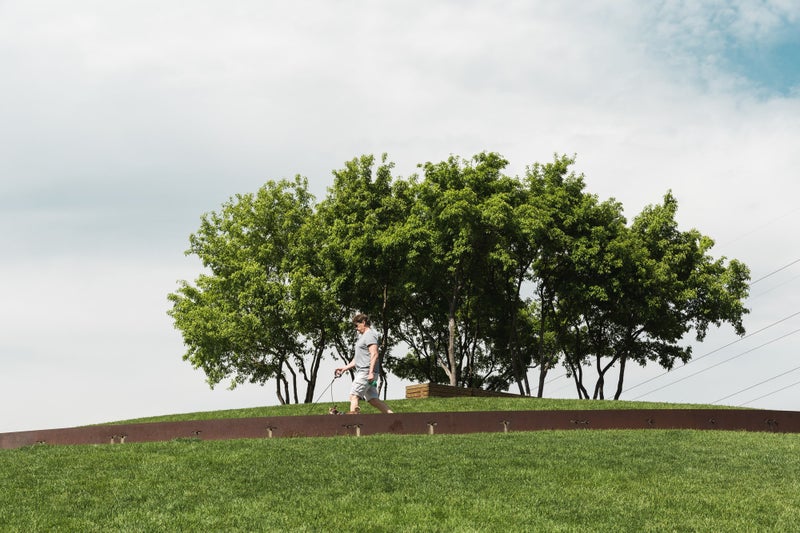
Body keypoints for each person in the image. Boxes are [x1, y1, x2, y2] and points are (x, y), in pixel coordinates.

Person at [334, 313, 394, 414]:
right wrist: (344, 368)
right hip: (367, 373)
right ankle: (395, 418)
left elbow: (374, 354)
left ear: (364, 322)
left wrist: (370, 372)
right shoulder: (363, 337)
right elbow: (357, 359)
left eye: (357, 325)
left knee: (354, 396)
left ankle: (353, 424)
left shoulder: (370, 335)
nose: (356, 329)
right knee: (373, 400)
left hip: (366, 372)